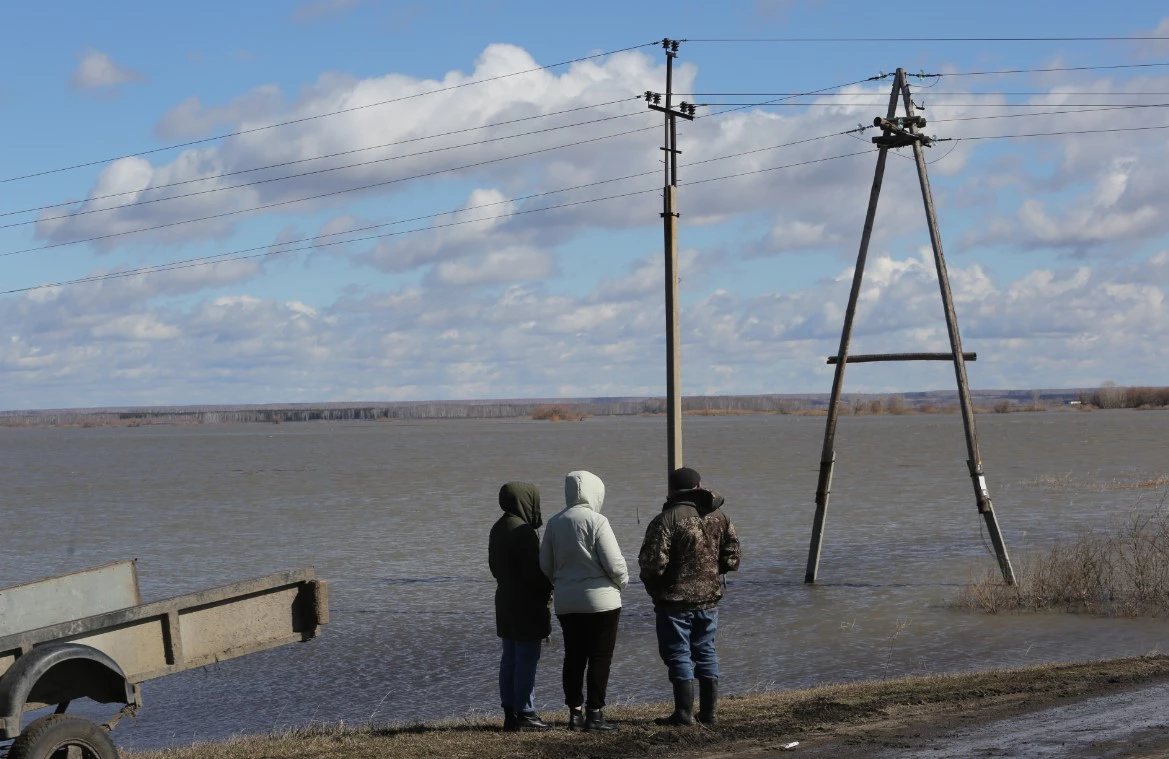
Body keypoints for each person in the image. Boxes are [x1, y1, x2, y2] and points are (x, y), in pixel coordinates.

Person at [638, 466, 740, 726]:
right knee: (706, 651)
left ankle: (683, 714)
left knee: (678, 654)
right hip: (709, 599)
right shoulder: (721, 517)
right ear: (699, 486)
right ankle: (709, 714)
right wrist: (712, 571)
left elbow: (652, 566)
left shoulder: (667, 519)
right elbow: (732, 558)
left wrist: (655, 588)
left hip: (674, 602)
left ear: (672, 490)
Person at [539, 470, 628, 732]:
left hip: (567, 602)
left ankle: (574, 714)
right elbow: (615, 564)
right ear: (595, 492)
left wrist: (561, 582)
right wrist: (622, 582)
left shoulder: (554, 523)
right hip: (602, 602)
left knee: (574, 656)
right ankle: (596, 714)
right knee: (600, 657)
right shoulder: (598, 521)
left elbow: (545, 564)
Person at [489, 481, 554, 731]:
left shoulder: (498, 527)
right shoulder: (524, 531)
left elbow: (494, 567)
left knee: (510, 658)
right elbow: (534, 575)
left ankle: (510, 713)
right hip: (526, 603)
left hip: (504, 600)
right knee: (526, 659)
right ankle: (525, 712)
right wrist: (550, 586)